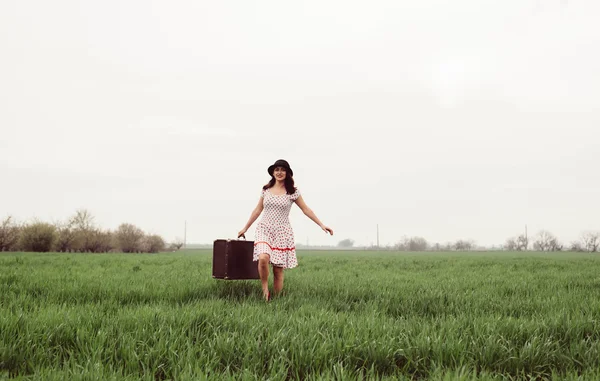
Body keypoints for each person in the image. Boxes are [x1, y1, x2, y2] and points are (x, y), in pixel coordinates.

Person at [238, 159, 333, 301]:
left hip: (282, 232)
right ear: (273, 172)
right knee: (263, 258)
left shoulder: (292, 192)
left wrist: (321, 224)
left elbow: (305, 209)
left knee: (278, 269)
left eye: (282, 170)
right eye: (277, 170)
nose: (279, 172)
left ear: (287, 173)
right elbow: (258, 209)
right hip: (264, 228)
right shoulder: (266, 189)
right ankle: (265, 291)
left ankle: (277, 299)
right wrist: (245, 227)